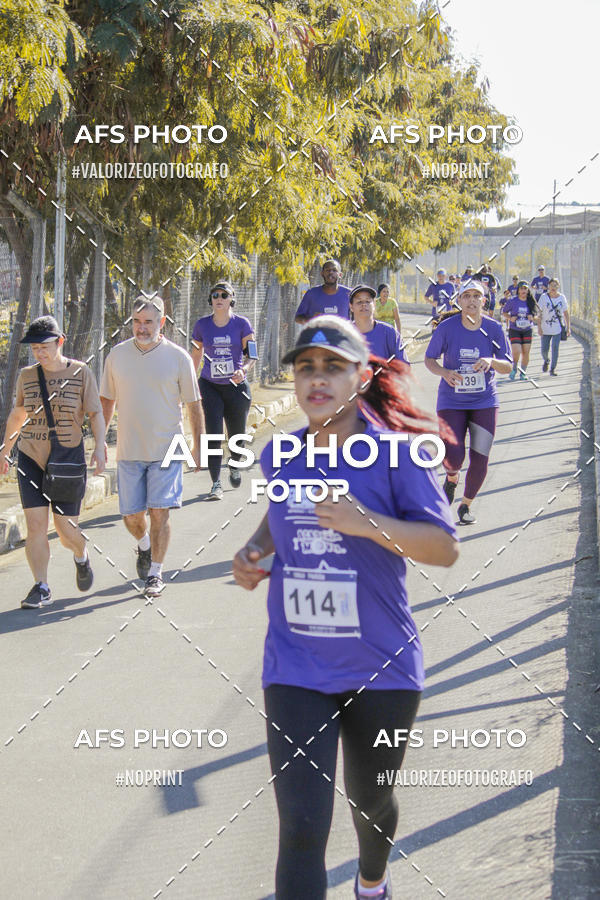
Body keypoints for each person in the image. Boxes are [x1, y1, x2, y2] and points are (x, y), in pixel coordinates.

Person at [233, 316, 458, 900]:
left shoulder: (397, 457)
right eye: (306, 367)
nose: (317, 379)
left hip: (383, 669)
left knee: (372, 800)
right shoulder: (280, 455)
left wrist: (368, 524)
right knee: (302, 829)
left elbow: (444, 548)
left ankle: (373, 878)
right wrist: (256, 550)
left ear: (360, 377)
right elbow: (278, 515)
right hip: (295, 668)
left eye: (333, 367)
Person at [100, 295, 205, 598]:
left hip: (167, 448)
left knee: (160, 512)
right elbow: (107, 401)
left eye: (148, 322)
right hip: (129, 450)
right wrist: (98, 445)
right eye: (136, 321)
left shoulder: (178, 357)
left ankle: (155, 574)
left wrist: (200, 447)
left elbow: (193, 405)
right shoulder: (117, 356)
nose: (141, 328)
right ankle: (144, 545)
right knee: (132, 517)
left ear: (161, 323)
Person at [0, 316, 105, 608]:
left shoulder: (81, 373)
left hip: (67, 458)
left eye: (44, 346)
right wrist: (5, 450)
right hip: (31, 457)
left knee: (65, 529)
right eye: (34, 348)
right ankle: (41, 586)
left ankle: (81, 555)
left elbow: (95, 413)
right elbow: (18, 415)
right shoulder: (26, 376)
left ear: (60, 342)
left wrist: (99, 448)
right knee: (35, 525)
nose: (39, 353)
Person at [424, 280, 513, 524]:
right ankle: (452, 477)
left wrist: (491, 361)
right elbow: (430, 359)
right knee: (453, 456)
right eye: (467, 296)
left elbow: (508, 365)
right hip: (451, 400)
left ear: (484, 301)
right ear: (459, 300)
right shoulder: (446, 328)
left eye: (477, 296)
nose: (472, 300)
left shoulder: (494, 329)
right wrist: (445, 373)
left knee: (480, 456)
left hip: (484, 401)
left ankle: (465, 505)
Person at [191, 281, 256, 500]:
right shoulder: (201, 325)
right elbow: (197, 354)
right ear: (211, 300)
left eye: (224, 295)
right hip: (210, 386)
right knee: (213, 434)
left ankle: (235, 464)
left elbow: (252, 354)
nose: (219, 298)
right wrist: (188, 377)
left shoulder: (242, 324)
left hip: (236, 387)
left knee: (237, 435)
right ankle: (216, 483)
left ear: (231, 299)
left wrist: (244, 370)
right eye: (215, 295)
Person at [350, 284, 408, 363]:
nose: (364, 304)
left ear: (374, 304)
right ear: (351, 306)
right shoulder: (342, 334)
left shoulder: (390, 333)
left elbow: (404, 368)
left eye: (367, 301)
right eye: (359, 301)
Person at [295, 259, 351, 324]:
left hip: (341, 334)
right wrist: (313, 320)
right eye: (327, 270)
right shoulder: (311, 294)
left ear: (340, 275)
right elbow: (298, 318)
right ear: (322, 273)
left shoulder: (349, 294)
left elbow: (358, 318)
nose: (331, 272)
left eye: (334, 270)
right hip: (317, 334)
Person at [504, 281, 537, 380]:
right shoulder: (512, 301)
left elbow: (537, 316)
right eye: (521, 289)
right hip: (515, 329)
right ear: (518, 290)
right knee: (516, 351)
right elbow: (504, 312)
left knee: (526, 352)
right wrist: (510, 318)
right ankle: (514, 368)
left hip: (527, 329)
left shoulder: (531, 301)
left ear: (528, 290)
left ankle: (523, 372)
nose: (523, 291)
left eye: (525, 289)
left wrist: (532, 317)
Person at [537, 278, 570, 375]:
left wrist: (568, 327)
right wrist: (539, 327)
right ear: (548, 286)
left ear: (558, 287)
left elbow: (566, 313)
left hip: (557, 328)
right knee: (544, 350)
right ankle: (546, 360)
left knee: (555, 347)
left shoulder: (562, 298)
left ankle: (552, 368)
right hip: (545, 328)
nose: (553, 288)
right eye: (551, 285)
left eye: (555, 285)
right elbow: (539, 313)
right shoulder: (544, 297)